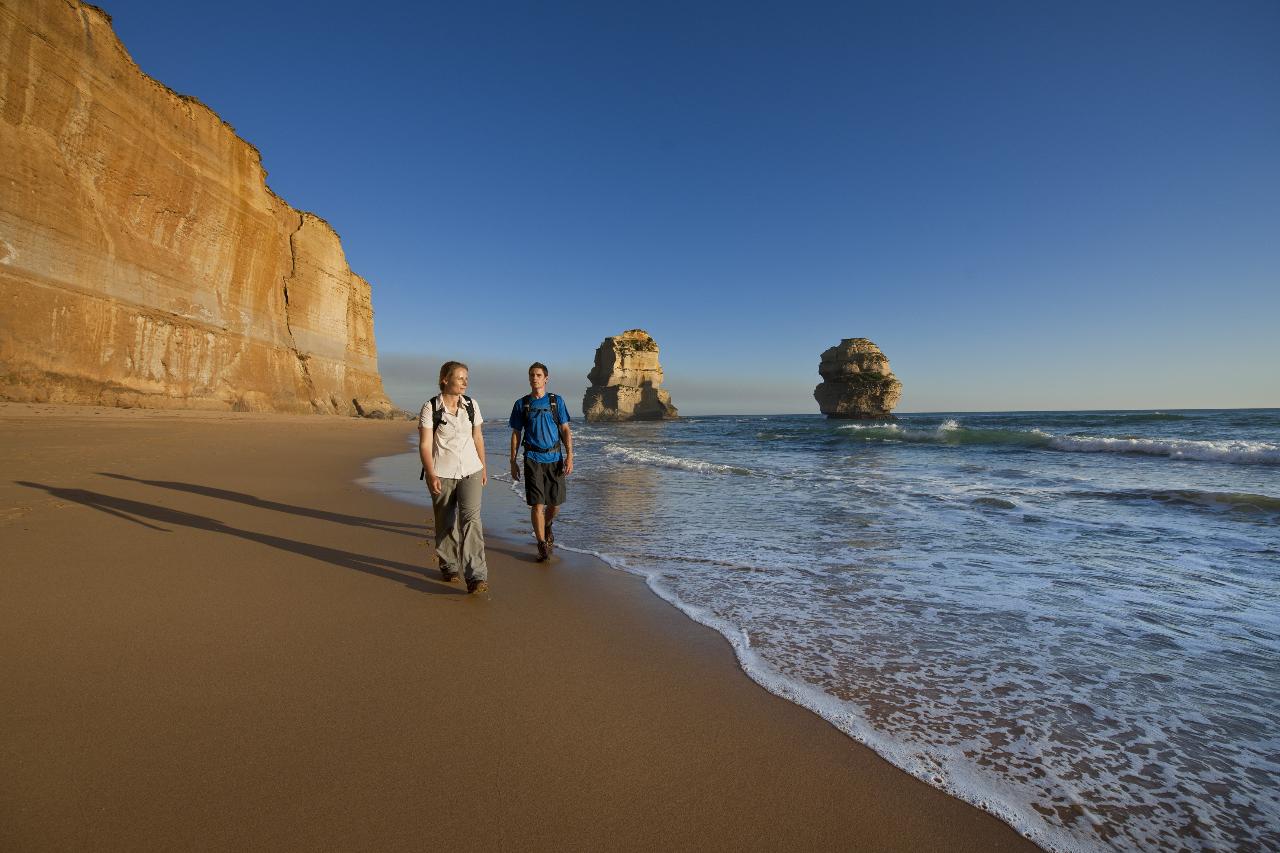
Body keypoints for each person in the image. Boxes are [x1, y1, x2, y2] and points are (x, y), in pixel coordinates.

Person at [419, 361, 489, 594]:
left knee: (471, 520)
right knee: (446, 521)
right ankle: (448, 565)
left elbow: (478, 437)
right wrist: (430, 473)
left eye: (466, 378)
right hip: (442, 472)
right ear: (445, 379)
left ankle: (476, 576)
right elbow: (426, 444)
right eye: (459, 378)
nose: (464, 382)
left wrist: (483, 466)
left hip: (471, 469)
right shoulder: (431, 407)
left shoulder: (472, 405)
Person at [509, 362, 573, 562]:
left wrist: (570, 455)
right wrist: (513, 461)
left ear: (546, 378)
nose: (534, 378)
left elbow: (565, 430)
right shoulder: (522, 404)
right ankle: (541, 545)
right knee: (537, 505)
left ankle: (547, 525)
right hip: (532, 458)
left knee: (555, 504)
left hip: (554, 459)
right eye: (531, 375)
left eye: (538, 375)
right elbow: (516, 434)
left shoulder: (556, 402)